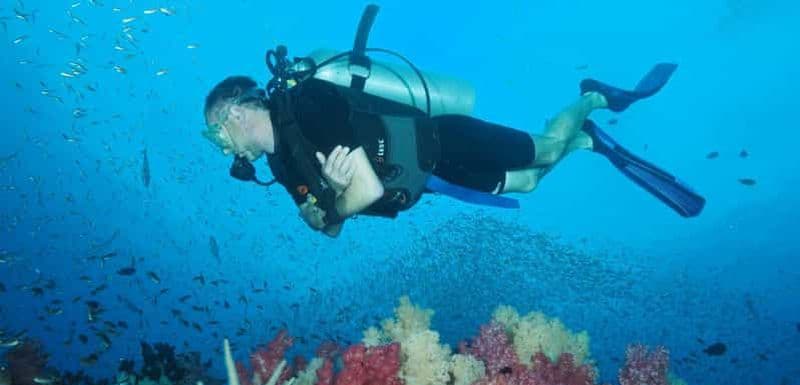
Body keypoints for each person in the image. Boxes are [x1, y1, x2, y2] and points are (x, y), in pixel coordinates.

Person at [203, 58, 705, 238]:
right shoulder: (282, 160)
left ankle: (593, 97)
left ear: (236, 112)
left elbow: (365, 188)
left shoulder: (306, 105)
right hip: (429, 175)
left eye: (216, 132)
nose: (220, 145)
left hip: (443, 137)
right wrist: (324, 211)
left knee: (545, 152)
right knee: (530, 182)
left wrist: (335, 202)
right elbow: (328, 226)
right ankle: (586, 138)